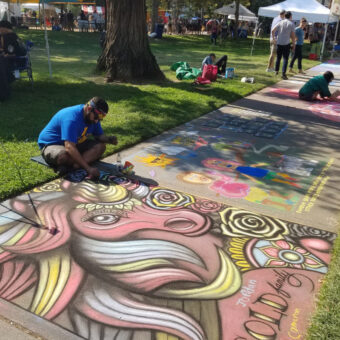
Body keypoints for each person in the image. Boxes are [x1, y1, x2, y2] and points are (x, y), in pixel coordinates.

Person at [38, 97, 118, 178]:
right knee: (64, 156)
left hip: (75, 142)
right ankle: (76, 163)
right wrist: (88, 169)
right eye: (97, 117)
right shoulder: (71, 118)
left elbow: (99, 136)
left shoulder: (93, 117)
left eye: (101, 118)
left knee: (101, 147)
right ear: (89, 109)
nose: (97, 121)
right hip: (51, 144)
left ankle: (74, 165)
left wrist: (109, 140)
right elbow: (69, 147)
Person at [272, 11, 296, 80]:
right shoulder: (291, 24)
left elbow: (273, 30)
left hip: (279, 42)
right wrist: (294, 44)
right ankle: (283, 73)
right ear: (290, 16)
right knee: (285, 59)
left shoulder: (280, 22)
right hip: (286, 43)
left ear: (285, 16)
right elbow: (293, 36)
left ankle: (276, 71)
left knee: (278, 58)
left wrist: (274, 39)